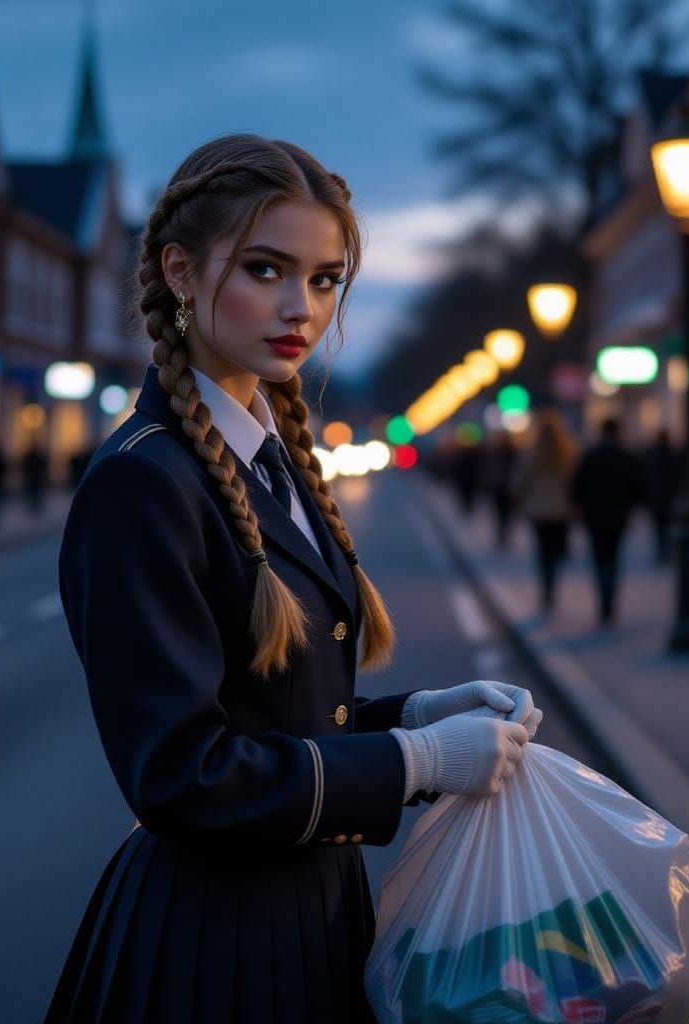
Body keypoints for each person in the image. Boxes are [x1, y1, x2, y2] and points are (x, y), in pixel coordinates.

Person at [43, 134, 543, 1024]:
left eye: (323, 279)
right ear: (182, 273)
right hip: (213, 943)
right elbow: (181, 775)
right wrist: (415, 760)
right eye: (267, 268)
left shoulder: (267, 461)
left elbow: (284, 719)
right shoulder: (143, 481)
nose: (299, 307)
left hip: (313, 904)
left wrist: (420, 717)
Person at [571, 418, 644, 625]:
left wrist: (582, 508)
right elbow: (638, 487)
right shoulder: (626, 456)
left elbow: (577, 486)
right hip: (618, 516)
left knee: (598, 559)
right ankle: (610, 602)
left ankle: (603, 602)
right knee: (614, 558)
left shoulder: (591, 456)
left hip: (594, 516)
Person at [510, 409, 579, 611]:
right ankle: (553, 583)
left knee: (543, 552)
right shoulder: (569, 452)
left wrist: (519, 499)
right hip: (562, 510)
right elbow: (576, 480)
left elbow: (520, 480)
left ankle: (547, 591)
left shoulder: (532, 453)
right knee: (557, 550)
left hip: (539, 511)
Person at [641, 428, 682, 564]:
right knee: (666, 526)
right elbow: (678, 477)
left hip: (655, 497)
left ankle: (661, 551)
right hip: (667, 497)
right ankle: (664, 551)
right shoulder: (672, 455)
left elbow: (645, 477)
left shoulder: (651, 455)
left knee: (659, 527)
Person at [20, 443, 48, 516]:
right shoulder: (38, 457)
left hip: (31, 478)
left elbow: (24, 466)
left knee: (32, 492)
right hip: (36, 478)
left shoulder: (29, 457)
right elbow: (43, 466)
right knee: (35, 492)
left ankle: (33, 506)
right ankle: (35, 506)